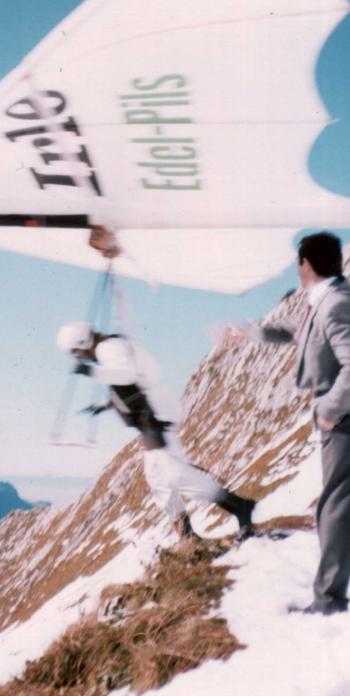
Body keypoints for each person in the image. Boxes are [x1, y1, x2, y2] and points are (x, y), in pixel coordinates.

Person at [227, 231, 350, 616]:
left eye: (298, 263)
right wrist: (249, 330)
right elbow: (297, 334)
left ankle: (328, 599)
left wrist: (330, 409)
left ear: (306, 264)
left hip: (342, 415)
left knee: (335, 504)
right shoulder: (325, 298)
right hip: (338, 410)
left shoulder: (335, 305)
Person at [56, 321, 256, 540]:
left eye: (76, 352)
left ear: (83, 342)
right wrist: (105, 405)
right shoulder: (109, 348)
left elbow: (124, 375)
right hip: (150, 420)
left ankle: (240, 506)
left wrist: (90, 371)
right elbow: (131, 384)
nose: (79, 357)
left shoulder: (109, 349)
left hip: (157, 417)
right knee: (159, 480)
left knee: (175, 475)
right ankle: (187, 537)